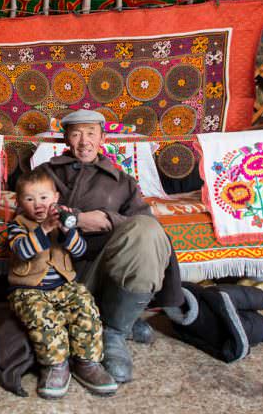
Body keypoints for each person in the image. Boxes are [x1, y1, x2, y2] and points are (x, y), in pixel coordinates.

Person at [36, 109, 182, 384]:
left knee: (148, 232)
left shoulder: (122, 181)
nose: (84, 141)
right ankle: (110, 322)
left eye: (91, 133)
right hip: (61, 275)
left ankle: (114, 331)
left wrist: (106, 220)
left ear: (103, 138)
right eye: (77, 133)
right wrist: (75, 219)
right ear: (66, 138)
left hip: (107, 270)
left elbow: (144, 224)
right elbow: (32, 207)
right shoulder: (45, 173)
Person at [7, 169, 117, 400]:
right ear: (19, 202)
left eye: (44, 198)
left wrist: (67, 230)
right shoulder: (17, 225)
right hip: (29, 290)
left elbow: (80, 251)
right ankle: (55, 365)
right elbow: (22, 251)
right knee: (43, 318)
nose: (38, 204)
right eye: (29, 199)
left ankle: (87, 361)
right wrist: (45, 228)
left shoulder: (62, 221)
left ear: (56, 198)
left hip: (63, 285)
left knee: (86, 305)